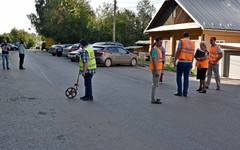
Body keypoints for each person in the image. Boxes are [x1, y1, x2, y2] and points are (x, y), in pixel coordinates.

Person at [174, 32, 195, 97]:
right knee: (186, 77)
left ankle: (179, 92)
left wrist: (175, 60)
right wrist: (192, 62)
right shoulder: (192, 43)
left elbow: (178, 51)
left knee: (179, 76)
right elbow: (192, 54)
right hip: (189, 62)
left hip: (182, 61)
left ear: (183, 36)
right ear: (189, 36)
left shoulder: (181, 41)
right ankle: (185, 92)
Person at [150, 37, 163, 104]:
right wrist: (157, 71)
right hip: (156, 69)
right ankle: (153, 99)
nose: (161, 43)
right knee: (155, 84)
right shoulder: (155, 50)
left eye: (162, 42)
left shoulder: (158, 49)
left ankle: (155, 97)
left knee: (156, 84)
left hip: (158, 68)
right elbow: (154, 61)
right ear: (156, 42)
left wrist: (161, 70)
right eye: (160, 42)